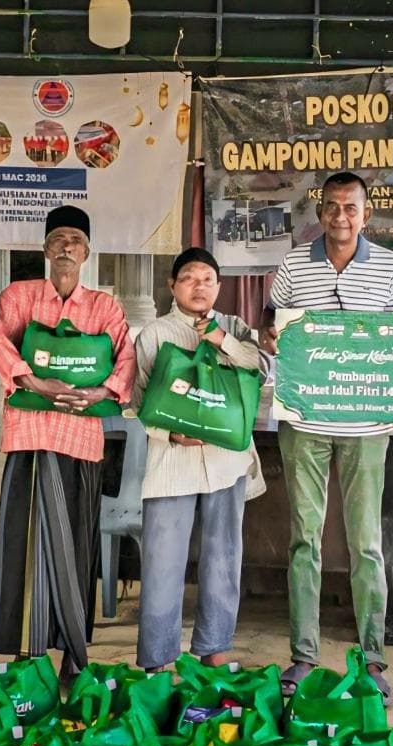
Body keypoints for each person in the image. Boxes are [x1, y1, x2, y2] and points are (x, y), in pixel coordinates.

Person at [266, 171, 393, 699]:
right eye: (331, 208)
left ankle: (372, 661)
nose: (340, 217)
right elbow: (272, 319)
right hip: (305, 419)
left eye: (351, 208)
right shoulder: (294, 263)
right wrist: (271, 334)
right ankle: (303, 656)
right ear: (319, 212)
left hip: (367, 424)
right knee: (305, 539)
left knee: (365, 543)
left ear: (365, 215)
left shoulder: (389, 267)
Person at [0, 205, 135, 679]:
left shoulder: (104, 307)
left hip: (81, 438)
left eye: (75, 240)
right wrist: (36, 382)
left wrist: (100, 392)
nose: (66, 248)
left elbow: (124, 360)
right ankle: (24, 652)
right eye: (58, 240)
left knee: (76, 542)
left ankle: (73, 651)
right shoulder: (19, 296)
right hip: (30, 435)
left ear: (87, 251)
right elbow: (0, 347)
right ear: (46, 249)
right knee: (22, 540)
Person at [133, 247, 265, 672]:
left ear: (219, 287)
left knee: (223, 557)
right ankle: (157, 659)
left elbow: (263, 372)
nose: (199, 286)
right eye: (189, 278)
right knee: (162, 562)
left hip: (226, 463)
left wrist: (224, 341)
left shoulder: (236, 327)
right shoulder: (154, 334)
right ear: (172, 286)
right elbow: (135, 403)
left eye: (208, 279)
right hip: (172, 465)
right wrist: (169, 432)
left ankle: (215, 648)